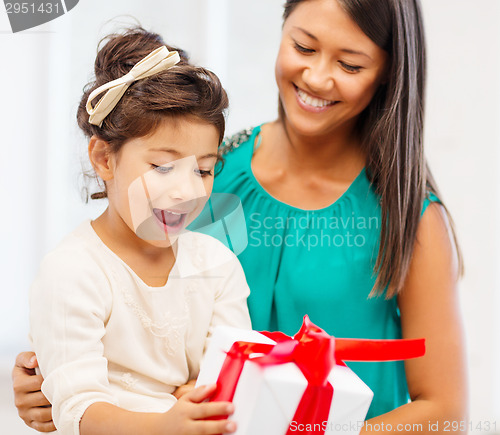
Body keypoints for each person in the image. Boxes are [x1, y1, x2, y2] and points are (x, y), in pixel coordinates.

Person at [13, 0, 468, 432]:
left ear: (388, 72)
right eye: (303, 47)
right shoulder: (211, 176)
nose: (316, 75)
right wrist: (48, 380)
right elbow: (123, 328)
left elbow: (445, 412)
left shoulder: (411, 218)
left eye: (350, 64)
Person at [20, 27, 253, 435]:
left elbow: (235, 379)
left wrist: (204, 393)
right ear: (104, 158)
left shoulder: (216, 265)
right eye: (163, 167)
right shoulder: (73, 271)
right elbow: (78, 409)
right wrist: (167, 424)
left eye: (203, 169)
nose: (187, 191)